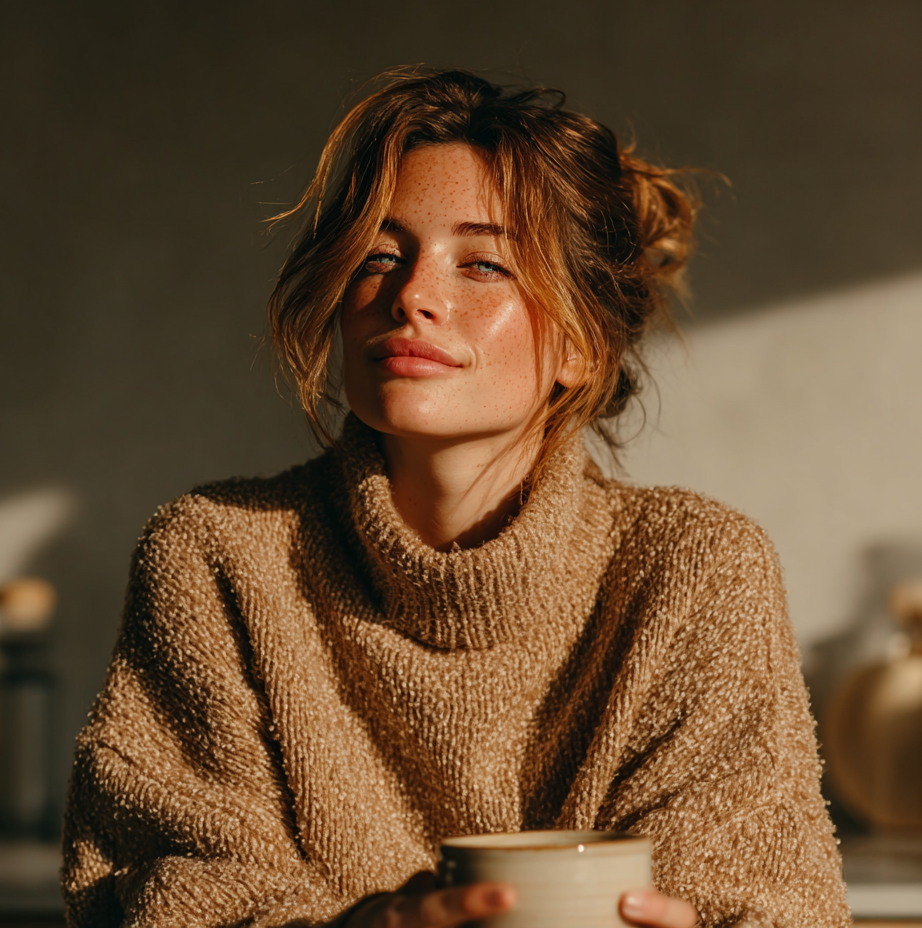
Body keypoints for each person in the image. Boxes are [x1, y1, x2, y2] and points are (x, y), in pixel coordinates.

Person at [61, 69, 849, 928]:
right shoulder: (217, 556)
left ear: (582, 345)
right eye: (379, 257)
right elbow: (154, 892)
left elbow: (771, 901)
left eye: (481, 264)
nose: (412, 297)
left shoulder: (695, 569)